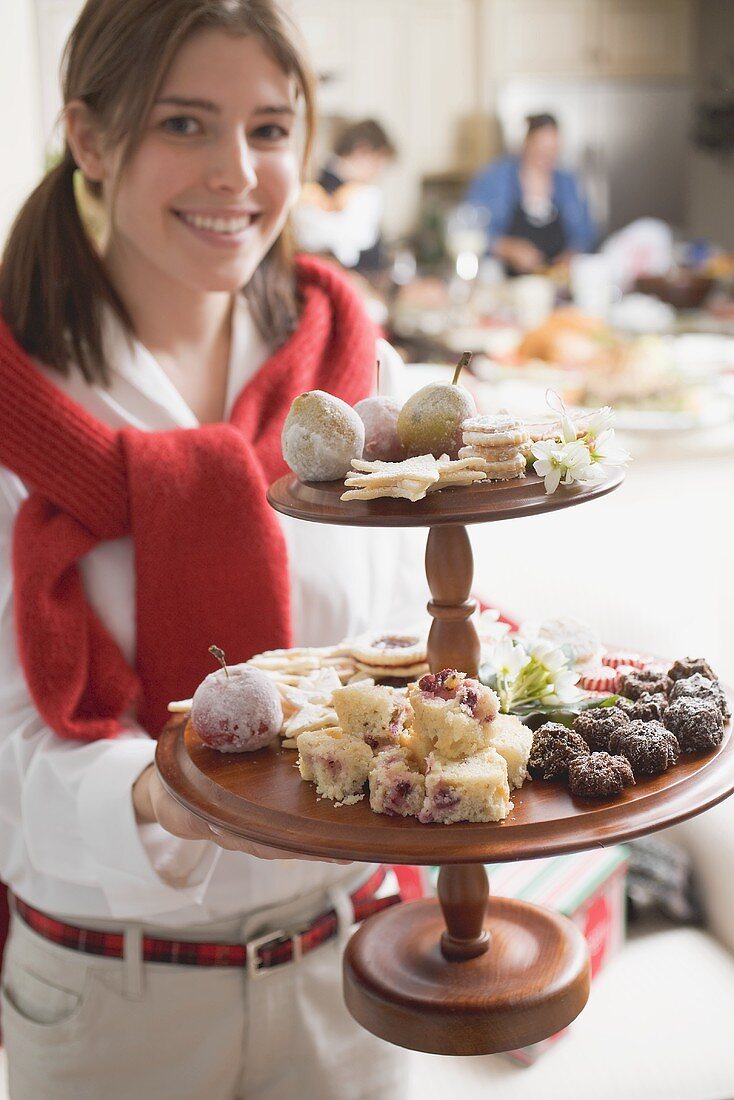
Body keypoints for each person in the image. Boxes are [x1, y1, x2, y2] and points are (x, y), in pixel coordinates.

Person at [0, 3, 425, 1097]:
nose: (236, 173)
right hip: (110, 1002)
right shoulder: (17, 401)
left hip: (347, 971)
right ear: (90, 139)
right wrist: (158, 796)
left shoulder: (352, 364)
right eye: (184, 124)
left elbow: (408, 640)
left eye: (270, 129)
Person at [465, 112, 597, 275]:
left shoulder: (567, 183)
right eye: (541, 149)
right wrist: (508, 249)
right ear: (526, 143)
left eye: (553, 150)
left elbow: (586, 233)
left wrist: (571, 256)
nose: (547, 156)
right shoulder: (494, 179)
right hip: (504, 280)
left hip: (556, 282)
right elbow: (469, 230)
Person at [293, 119, 395, 274]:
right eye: (379, 164)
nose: (378, 175)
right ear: (362, 151)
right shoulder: (361, 195)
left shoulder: (349, 191)